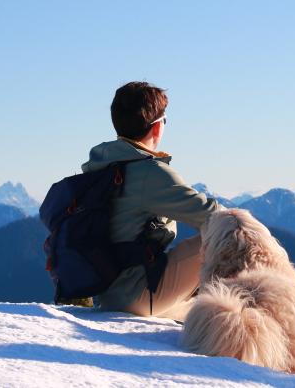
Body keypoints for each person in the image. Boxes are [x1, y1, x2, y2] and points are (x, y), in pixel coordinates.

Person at [81, 81, 222, 320]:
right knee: (223, 236)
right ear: (157, 127)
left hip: (107, 294)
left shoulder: (101, 168)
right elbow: (214, 216)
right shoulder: (149, 173)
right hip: (138, 295)